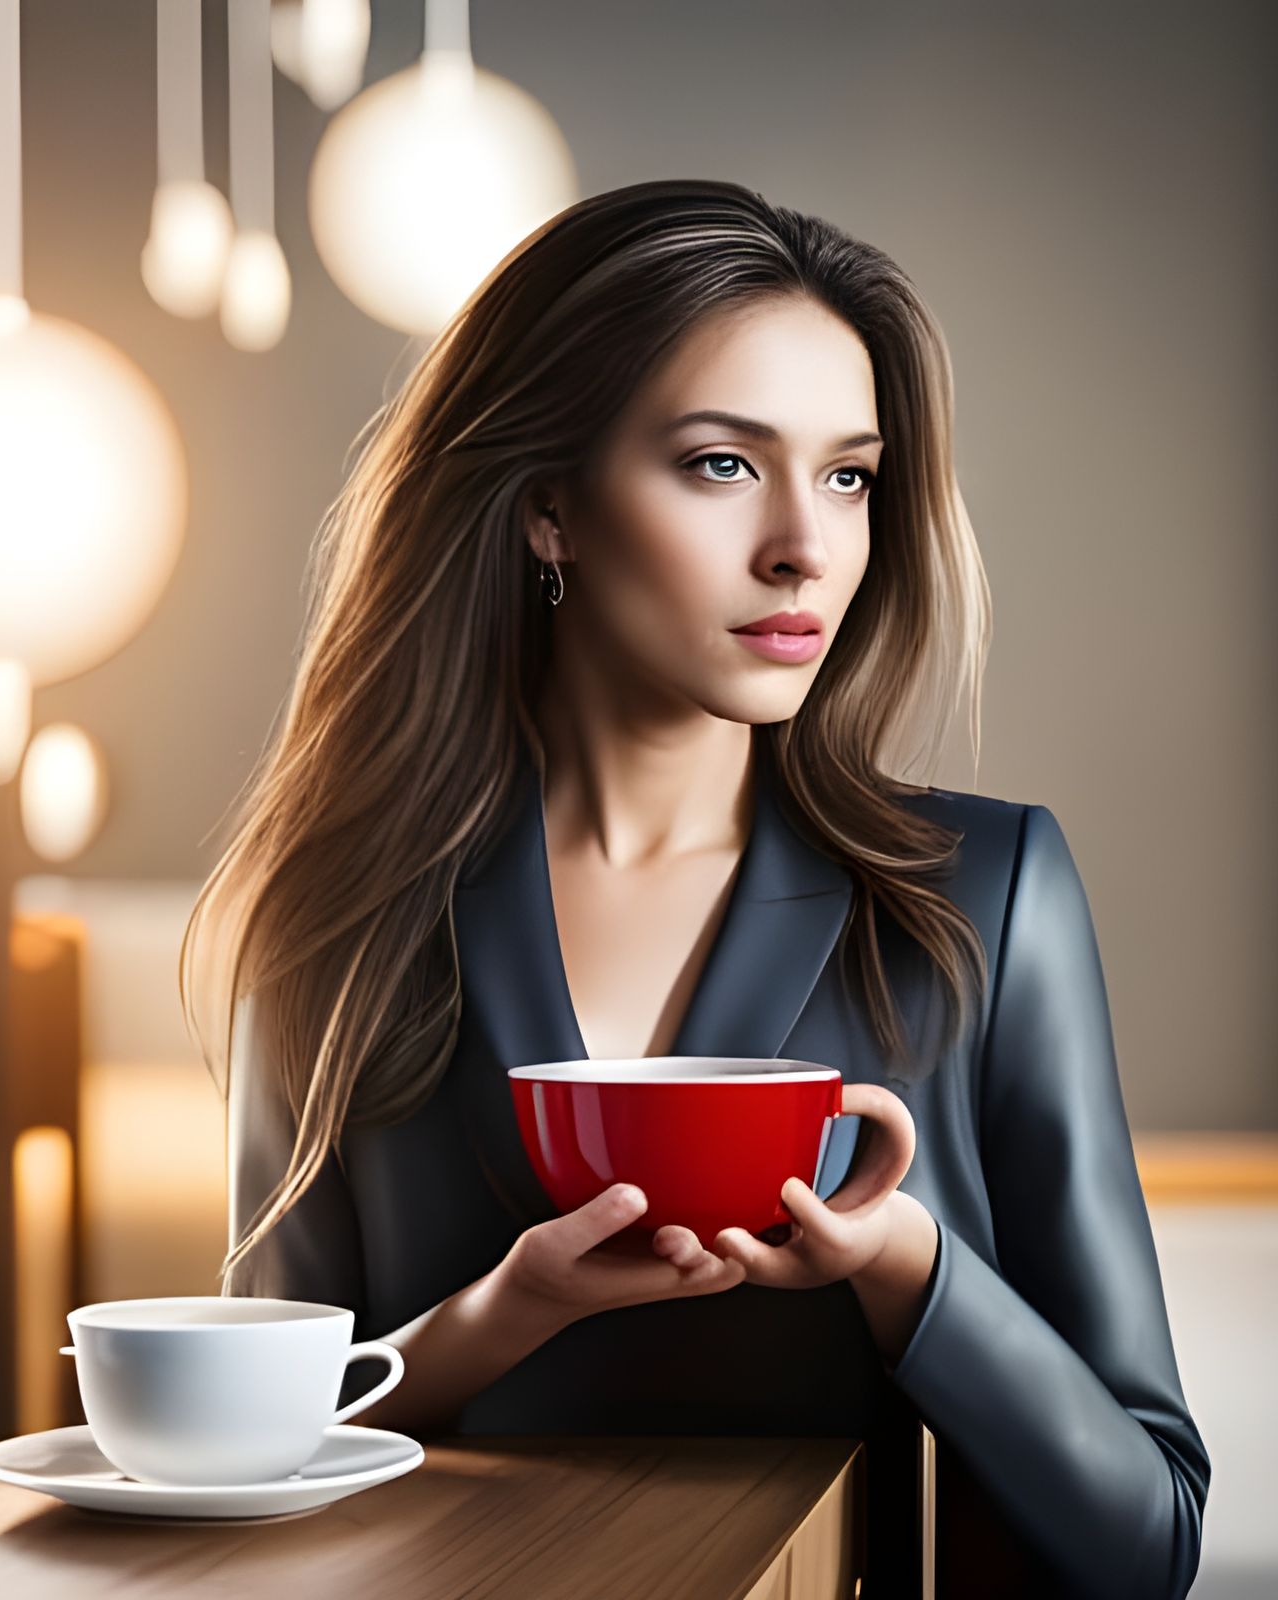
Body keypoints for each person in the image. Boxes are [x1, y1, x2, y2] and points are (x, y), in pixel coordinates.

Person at [180, 178, 1209, 1599]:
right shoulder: (343, 918)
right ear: (550, 510)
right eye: (724, 463)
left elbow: (1147, 1541)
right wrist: (500, 1314)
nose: (805, 543)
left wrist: (907, 1267)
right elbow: (251, 1460)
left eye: (849, 474)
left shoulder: (984, 896)